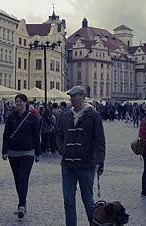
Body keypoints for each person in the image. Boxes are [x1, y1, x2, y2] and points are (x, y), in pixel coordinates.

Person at [56, 85, 105, 226]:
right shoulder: (65, 115)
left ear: (83, 97)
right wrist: (62, 149)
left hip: (86, 165)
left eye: (75, 95)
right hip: (68, 165)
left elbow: (100, 140)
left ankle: (93, 223)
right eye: (71, 96)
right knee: (68, 201)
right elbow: (58, 135)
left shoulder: (93, 115)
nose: (72, 98)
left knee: (88, 200)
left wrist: (100, 161)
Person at [1, 93, 41, 218]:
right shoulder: (11, 117)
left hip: (27, 152)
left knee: (23, 178)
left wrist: (38, 153)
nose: (18, 103)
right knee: (17, 179)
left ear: (26, 103)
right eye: (17, 101)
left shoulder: (33, 118)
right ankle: (22, 203)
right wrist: (4, 151)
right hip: (13, 152)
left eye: (21, 101)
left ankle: (22, 205)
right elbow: (6, 134)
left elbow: (36, 136)